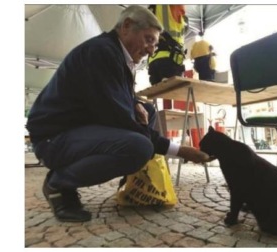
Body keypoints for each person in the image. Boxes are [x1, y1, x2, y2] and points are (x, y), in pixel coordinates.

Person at [26, 5, 211, 223]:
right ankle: (59, 184)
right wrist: (180, 150)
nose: (152, 50)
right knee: (139, 147)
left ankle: (136, 179)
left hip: (76, 129)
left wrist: (134, 103)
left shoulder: (115, 53)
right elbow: (117, 117)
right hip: (53, 139)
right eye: (149, 39)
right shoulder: (101, 52)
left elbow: (112, 96)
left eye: (155, 43)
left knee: (148, 111)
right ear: (126, 27)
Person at [147, 5, 187, 85]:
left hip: (152, 60)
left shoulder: (152, 7)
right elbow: (182, 12)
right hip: (170, 59)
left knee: (160, 92)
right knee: (174, 90)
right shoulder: (174, 6)